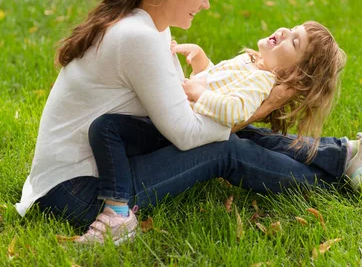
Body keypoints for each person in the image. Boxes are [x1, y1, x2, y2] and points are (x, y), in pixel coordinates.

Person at [15, 0, 362, 245]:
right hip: (78, 192)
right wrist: (254, 112)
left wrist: (235, 110)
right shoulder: (137, 38)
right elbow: (188, 134)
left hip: (88, 171)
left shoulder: (148, 28)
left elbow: (187, 105)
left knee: (223, 120)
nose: (207, 4)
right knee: (225, 145)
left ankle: (350, 155)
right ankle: (345, 174)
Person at [83, 21, 346, 243]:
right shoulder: (249, 62)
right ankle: (339, 157)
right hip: (174, 123)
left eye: (295, 42)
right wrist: (201, 63)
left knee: (239, 140)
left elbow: (234, 111)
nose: (285, 32)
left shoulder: (262, 80)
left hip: (182, 130)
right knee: (105, 126)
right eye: (292, 28)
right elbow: (217, 84)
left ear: (293, 73)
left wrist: (200, 94)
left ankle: (117, 212)